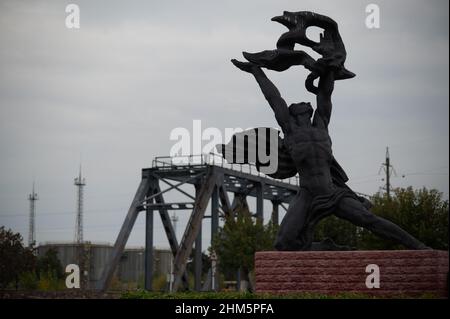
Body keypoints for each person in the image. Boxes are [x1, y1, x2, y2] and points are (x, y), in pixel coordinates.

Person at [230, 58, 429, 250]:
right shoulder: (290, 131)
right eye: (299, 106)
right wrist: (256, 71)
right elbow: (274, 98)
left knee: (369, 220)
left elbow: (325, 94)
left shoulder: (321, 126)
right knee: (284, 243)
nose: (305, 106)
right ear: (294, 114)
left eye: (307, 106)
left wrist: (330, 68)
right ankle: (324, 248)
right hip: (308, 195)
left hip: (332, 192)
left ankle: (419, 247)